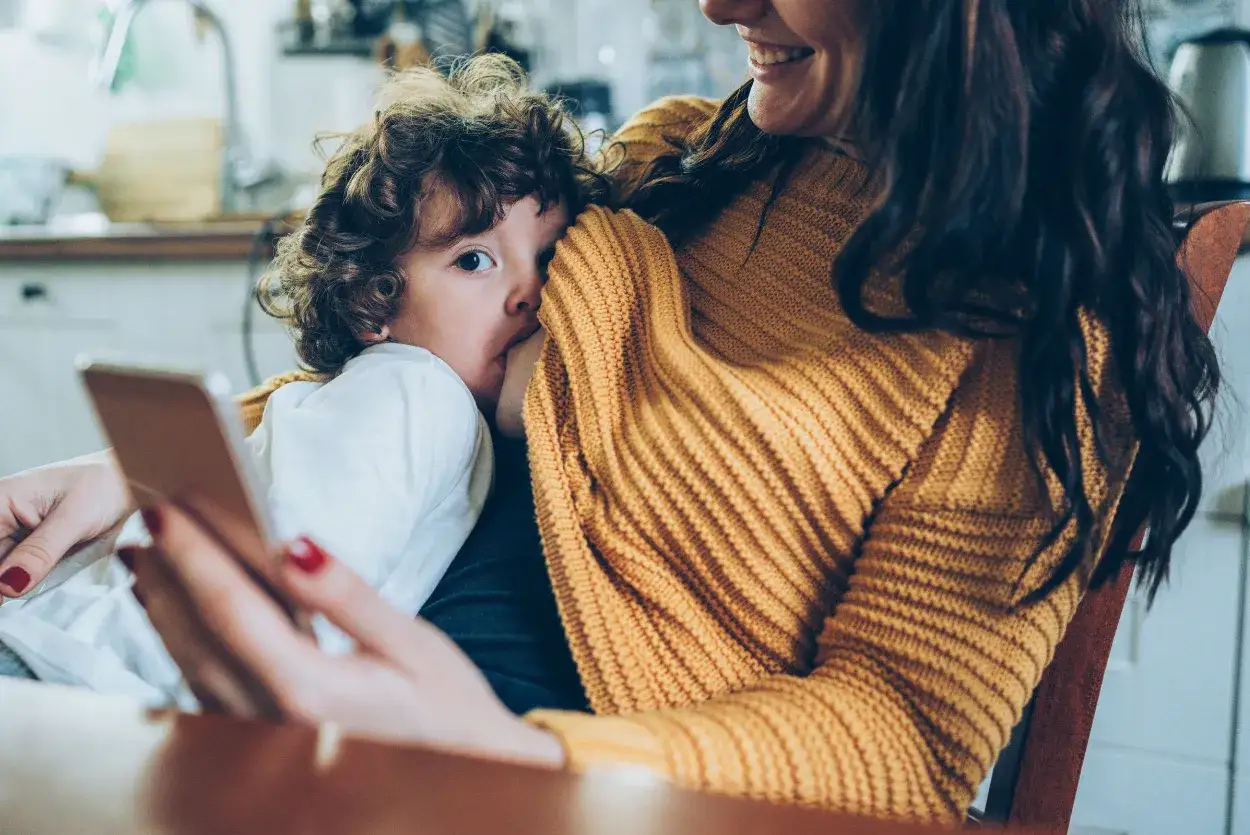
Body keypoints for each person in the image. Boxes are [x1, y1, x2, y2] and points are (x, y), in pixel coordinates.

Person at [0, 0, 1218, 824]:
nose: (712, 2)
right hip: (314, 691)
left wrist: (517, 756)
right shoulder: (676, 160)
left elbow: (902, 739)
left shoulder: (1041, 334)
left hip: (518, 777)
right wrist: (147, 467)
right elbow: (440, 366)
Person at [0, 55, 601, 707]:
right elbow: (279, 602)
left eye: (548, 256)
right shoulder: (417, 394)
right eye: (474, 259)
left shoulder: (405, 400)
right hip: (83, 668)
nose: (531, 293)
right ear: (377, 302)